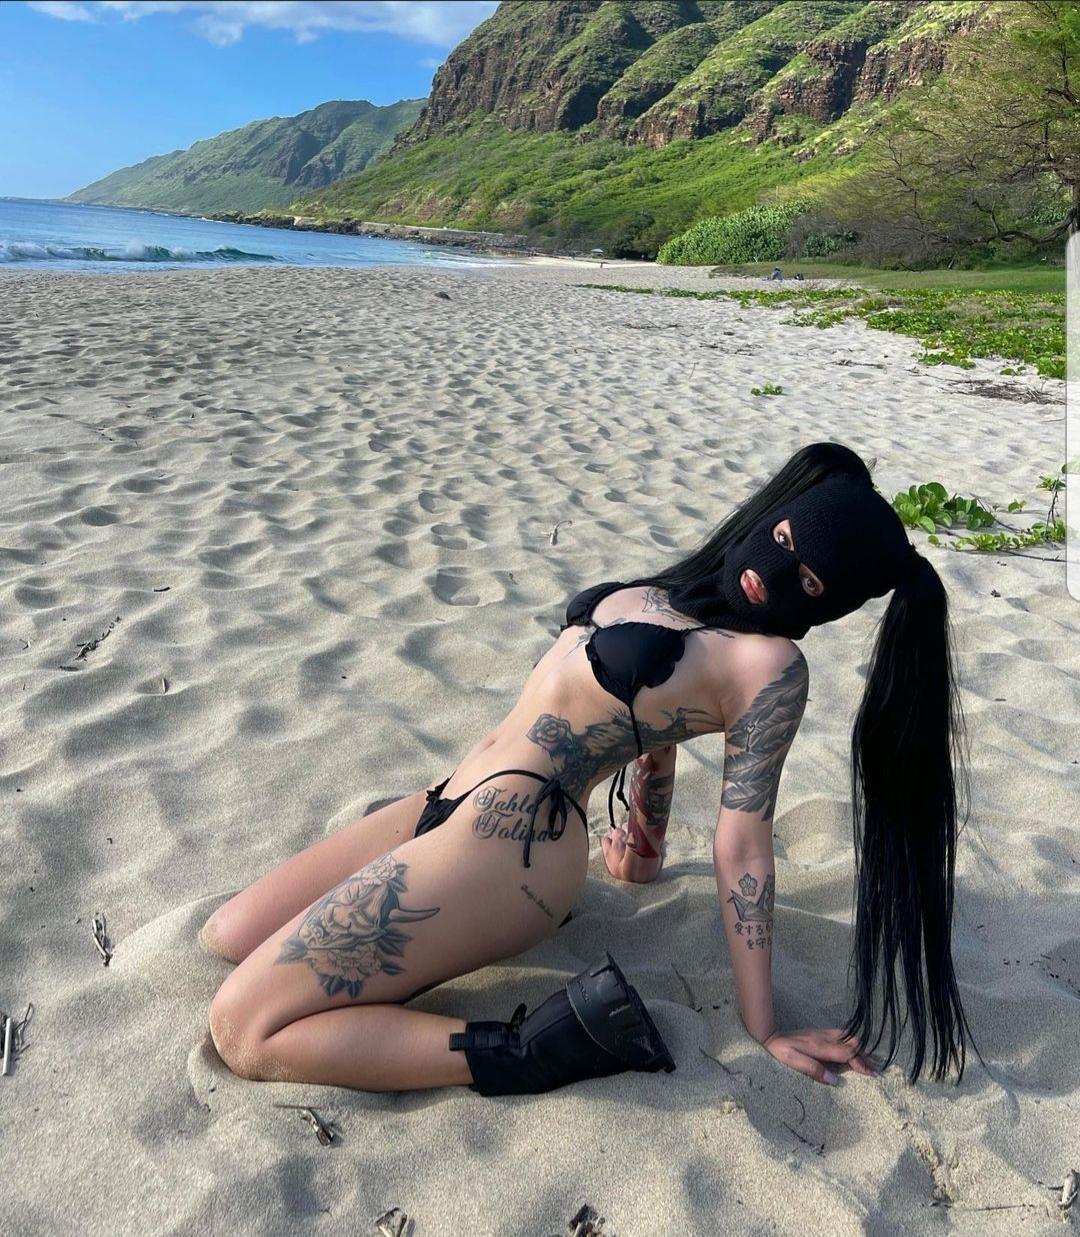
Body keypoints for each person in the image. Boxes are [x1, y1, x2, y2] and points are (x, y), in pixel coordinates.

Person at [202, 441, 974, 1096]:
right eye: (784, 539)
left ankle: (540, 1044)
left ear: (825, 606)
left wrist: (763, 1023)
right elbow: (657, 727)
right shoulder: (684, 592)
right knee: (229, 934)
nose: (772, 572)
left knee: (244, 1025)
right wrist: (642, 850)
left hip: (511, 850)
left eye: (807, 582)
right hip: (448, 801)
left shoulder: (769, 667)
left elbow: (743, 843)